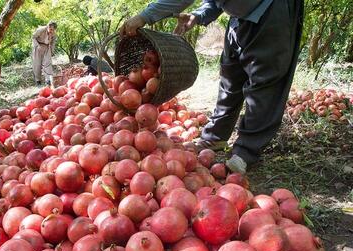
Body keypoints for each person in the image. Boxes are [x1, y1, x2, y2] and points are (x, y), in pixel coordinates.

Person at [120, 0, 304, 174]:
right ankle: (216, 136)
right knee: (230, 77)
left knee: (264, 84)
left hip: (270, 10)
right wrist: (199, 15)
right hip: (240, 17)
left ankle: (247, 150)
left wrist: (144, 16)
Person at [32, 21, 57, 86]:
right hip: (38, 46)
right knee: (37, 64)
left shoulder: (54, 34)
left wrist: (52, 51)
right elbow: (33, 37)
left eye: (53, 30)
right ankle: (38, 80)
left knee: (48, 63)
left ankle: (48, 80)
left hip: (47, 47)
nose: (51, 31)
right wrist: (37, 46)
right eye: (50, 29)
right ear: (48, 27)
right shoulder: (40, 30)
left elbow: (53, 43)